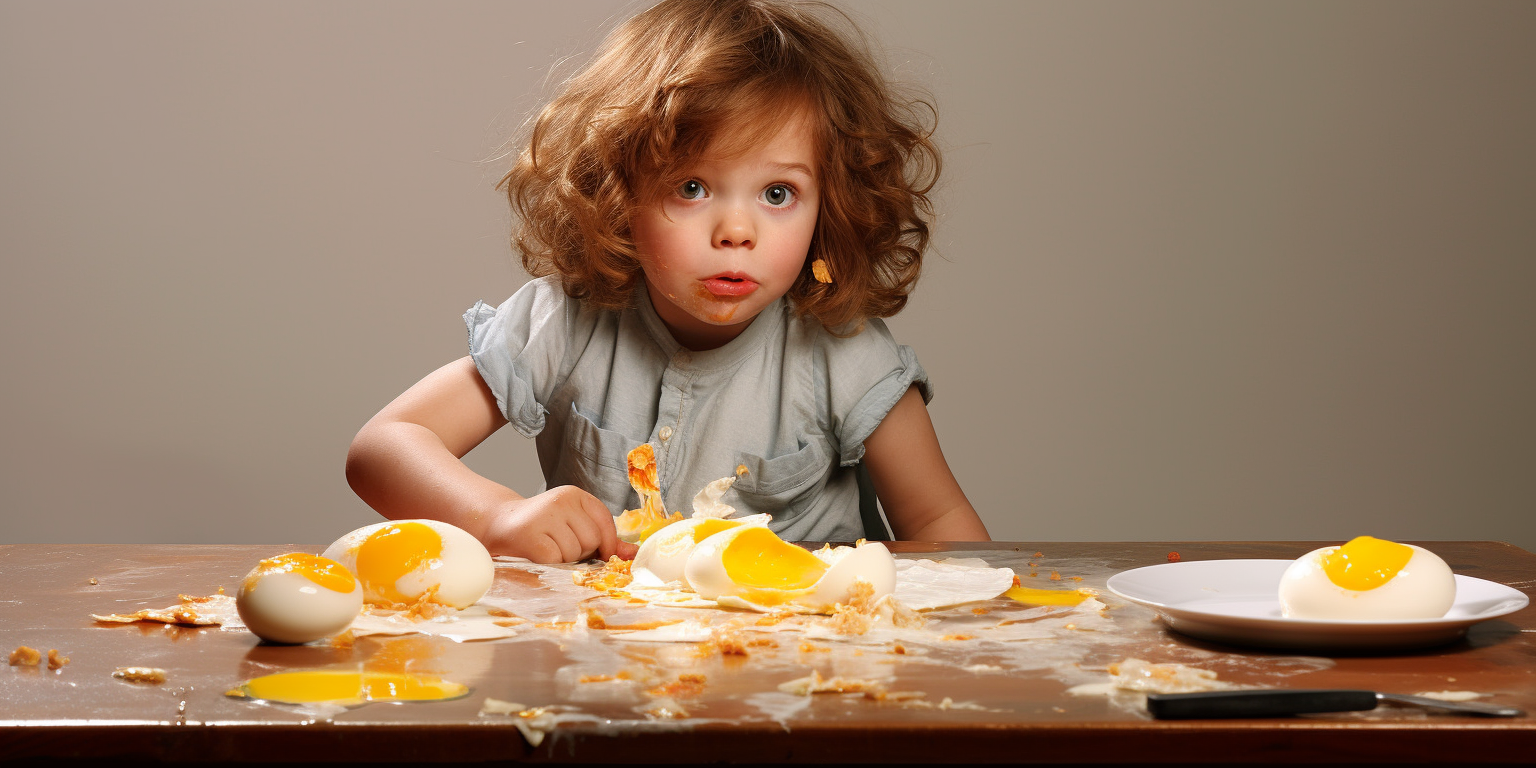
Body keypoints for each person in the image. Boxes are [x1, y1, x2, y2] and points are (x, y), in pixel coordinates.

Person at [345, 0, 990, 564]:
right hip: (614, 668)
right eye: (692, 187)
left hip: (804, 676)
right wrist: (495, 516)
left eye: (777, 192)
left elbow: (943, 527)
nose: (737, 231)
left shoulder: (845, 354)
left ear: (831, 206)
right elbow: (384, 445)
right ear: (615, 190)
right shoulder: (566, 323)